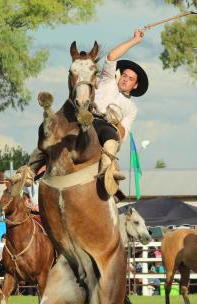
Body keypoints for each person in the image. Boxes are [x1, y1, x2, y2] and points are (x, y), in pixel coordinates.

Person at [27, 28, 149, 193]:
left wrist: (115, 120)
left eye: (131, 79)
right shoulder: (107, 80)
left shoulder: (131, 108)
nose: (126, 79)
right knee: (54, 130)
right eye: (125, 75)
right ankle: (29, 170)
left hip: (105, 126)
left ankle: (106, 171)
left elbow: (123, 134)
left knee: (112, 139)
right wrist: (134, 40)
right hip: (85, 115)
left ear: (135, 85)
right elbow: (111, 57)